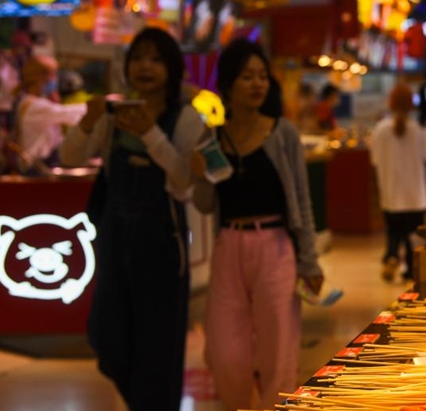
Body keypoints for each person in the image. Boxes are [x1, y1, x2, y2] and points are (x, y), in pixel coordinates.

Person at [60, 27, 206, 411]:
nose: (145, 66)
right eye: (138, 57)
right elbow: (70, 157)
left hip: (161, 250)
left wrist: (151, 134)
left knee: (158, 352)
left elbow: (183, 181)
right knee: (110, 339)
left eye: (156, 59)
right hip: (115, 245)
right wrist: (88, 122)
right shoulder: (113, 116)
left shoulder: (187, 119)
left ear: (172, 68)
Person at [191, 38, 324, 411]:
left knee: (278, 349)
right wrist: (198, 175)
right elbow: (204, 204)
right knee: (224, 352)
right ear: (229, 83)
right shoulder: (212, 138)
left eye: (262, 77)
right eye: (247, 76)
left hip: (275, 245)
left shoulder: (283, 134)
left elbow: (302, 200)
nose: (257, 84)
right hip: (228, 245)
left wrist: (310, 261)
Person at [371, 84, 426, 282]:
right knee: (413, 237)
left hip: (391, 193)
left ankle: (391, 256)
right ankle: (411, 269)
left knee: (393, 232)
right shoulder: (420, 130)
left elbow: (375, 162)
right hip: (416, 195)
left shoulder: (380, 130)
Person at [13, 55, 86, 172]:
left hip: (45, 163)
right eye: (53, 74)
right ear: (39, 77)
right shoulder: (34, 106)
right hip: (36, 167)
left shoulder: (33, 101)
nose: (55, 79)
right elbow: (68, 114)